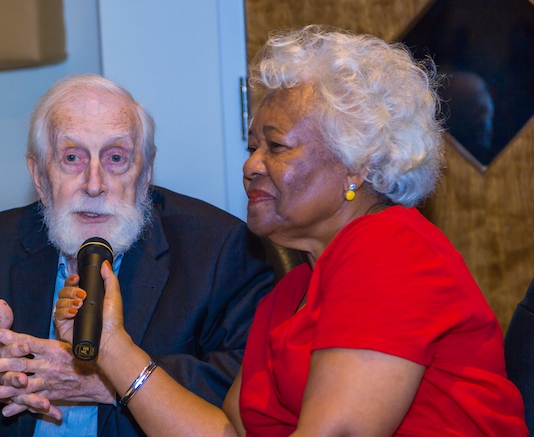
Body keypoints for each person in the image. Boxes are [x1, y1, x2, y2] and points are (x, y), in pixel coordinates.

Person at [43, 26, 528, 436]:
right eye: (252, 145)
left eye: (276, 146)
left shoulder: (390, 248)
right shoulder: (293, 289)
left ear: (357, 164)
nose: (251, 165)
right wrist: (113, 349)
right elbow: (226, 430)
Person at [0, 74, 275, 436]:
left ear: (145, 174)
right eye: (72, 158)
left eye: (116, 158)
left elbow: (248, 381)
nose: (94, 184)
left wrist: (106, 380)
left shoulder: (217, 247)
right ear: (40, 177)